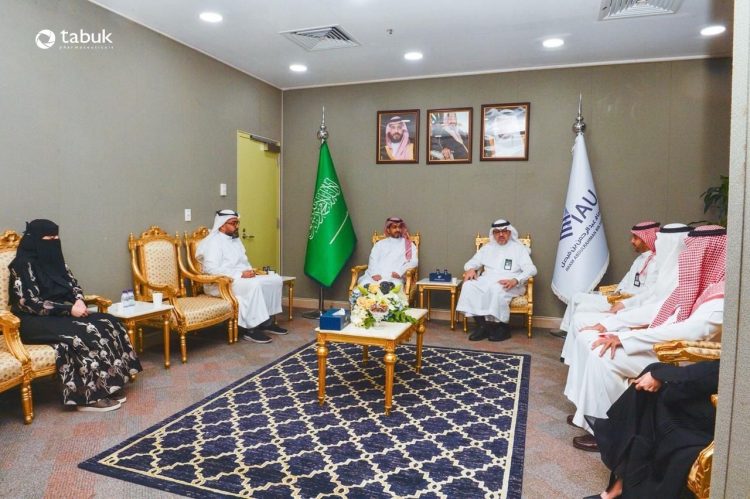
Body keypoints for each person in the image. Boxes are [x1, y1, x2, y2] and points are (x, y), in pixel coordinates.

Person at [563, 225, 726, 451]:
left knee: (603, 356)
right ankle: (599, 421)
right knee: (600, 348)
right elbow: (660, 309)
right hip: (663, 343)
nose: (689, 256)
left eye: (695, 250)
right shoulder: (701, 285)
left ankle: (610, 433)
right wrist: (614, 327)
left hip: (685, 358)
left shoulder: (722, 295)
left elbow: (693, 331)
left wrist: (626, 339)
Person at [8, 219, 142, 412]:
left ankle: (107, 385)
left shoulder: (56, 260)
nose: (54, 241)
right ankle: (87, 398)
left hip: (59, 314)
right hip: (31, 320)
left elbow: (73, 284)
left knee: (109, 322)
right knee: (84, 332)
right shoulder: (21, 265)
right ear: (35, 240)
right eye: (49, 238)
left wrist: (78, 300)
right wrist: (68, 310)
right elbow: (29, 303)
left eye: (56, 237)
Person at [584, 360, 719, 498]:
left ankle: (619, 479)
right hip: (715, 393)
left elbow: (721, 371)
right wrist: (662, 375)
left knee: (656, 392)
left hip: (721, 420)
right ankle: (620, 484)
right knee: (655, 377)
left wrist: (663, 375)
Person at [196, 210, 287, 344]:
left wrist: (250, 271)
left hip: (241, 277)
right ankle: (251, 330)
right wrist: (240, 274)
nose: (237, 226)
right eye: (233, 223)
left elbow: (244, 262)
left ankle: (267, 322)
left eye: (237, 223)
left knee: (274, 280)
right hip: (221, 283)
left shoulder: (235, 240)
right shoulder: (214, 242)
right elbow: (211, 269)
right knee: (254, 285)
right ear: (222, 225)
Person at [559, 221, 661, 335]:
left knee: (581, 307)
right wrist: (616, 293)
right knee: (577, 296)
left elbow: (647, 293)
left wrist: (623, 299)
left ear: (646, 239)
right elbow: (626, 280)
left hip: (628, 302)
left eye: (636, 238)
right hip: (619, 297)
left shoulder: (655, 262)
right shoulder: (640, 259)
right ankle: (566, 331)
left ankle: (570, 333)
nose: (632, 241)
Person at [456, 219, 537, 341]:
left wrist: (516, 280)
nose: (501, 234)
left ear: (509, 232)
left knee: (497, 289)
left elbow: (531, 269)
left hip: (510, 283)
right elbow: (472, 262)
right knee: (468, 286)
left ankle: (503, 328)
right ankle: (483, 326)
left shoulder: (519, 249)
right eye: (497, 232)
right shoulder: (487, 248)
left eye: (504, 231)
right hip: (487, 280)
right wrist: (471, 269)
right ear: (493, 234)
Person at [358, 217, 418, 287]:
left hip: (394, 277)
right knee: (364, 284)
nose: (398, 230)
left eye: (399, 227)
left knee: (395, 286)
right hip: (376, 275)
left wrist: (400, 271)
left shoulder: (408, 245)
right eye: (394, 227)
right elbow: (373, 259)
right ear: (388, 230)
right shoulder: (380, 244)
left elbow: (414, 261)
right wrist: (374, 274)